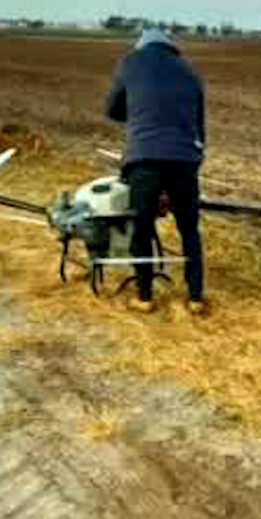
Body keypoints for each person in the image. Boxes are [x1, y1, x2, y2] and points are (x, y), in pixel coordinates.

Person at [104, 28, 208, 315]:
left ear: (142, 45)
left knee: (142, 228)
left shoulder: (132, 62)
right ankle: (196, 297)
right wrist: (193, 160)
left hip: (145, 158)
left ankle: (145, 297)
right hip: (185, 159)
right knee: (189, 229)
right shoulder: (189, 71)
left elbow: (111, 109)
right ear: (171, 47)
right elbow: (200, 127)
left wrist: (138, 111)